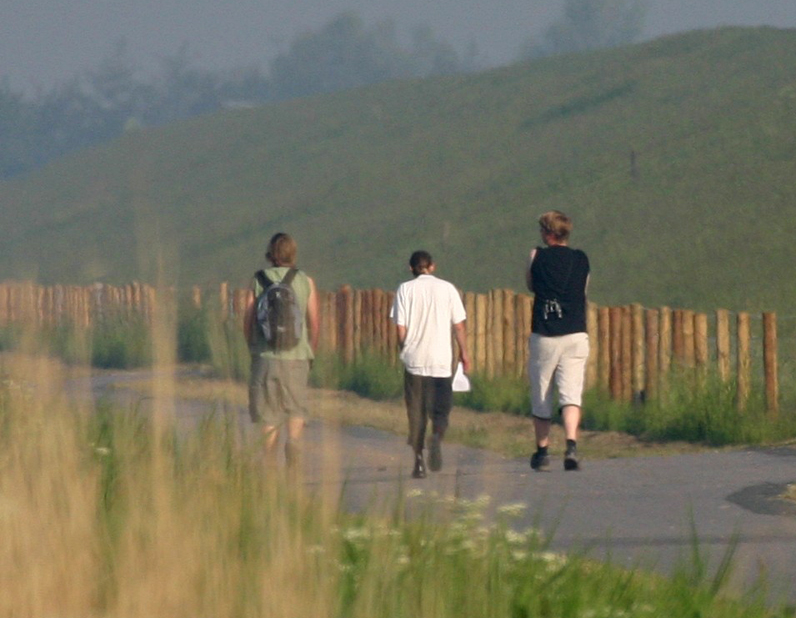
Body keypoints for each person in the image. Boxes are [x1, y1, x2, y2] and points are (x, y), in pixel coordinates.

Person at [391, 250, 471, 479]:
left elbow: (400, 328)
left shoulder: (405, 289)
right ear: (432, 266)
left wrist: (403, 348)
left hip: (415, 361)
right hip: (440, 361)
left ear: (411, 268)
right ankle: (436, 434)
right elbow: (459, 326)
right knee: (441, 410)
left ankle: (418, 462)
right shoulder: (448, 289)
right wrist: (464, 353)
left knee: (416, 413)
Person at [243, 232, 320, 469]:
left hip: (265, 357)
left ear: (271, 254)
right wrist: (310, 352)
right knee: (295, 407)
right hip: (297, 356)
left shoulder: (259, 280)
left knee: (268, 414)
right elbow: (314, 322)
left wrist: (254, 348)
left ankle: (269, 462)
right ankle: (294, 442)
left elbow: (247, 320)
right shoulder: (306, 282)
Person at [525, 211, 590, 471]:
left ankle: (542, 451)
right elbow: (584, 289)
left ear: (547, 233)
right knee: (571, 392)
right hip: (575, 332)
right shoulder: (580, 258)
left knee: (542, 391)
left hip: (545, 332)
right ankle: (571, 444)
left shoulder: (536, 256)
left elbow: (530, 285)